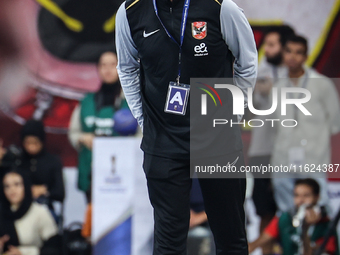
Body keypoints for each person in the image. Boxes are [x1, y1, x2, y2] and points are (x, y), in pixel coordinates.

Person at [115, 0, 258, 253]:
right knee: (168, 242)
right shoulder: (130, 11)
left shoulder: (222, 7)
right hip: (162, 139)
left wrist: (232, 115)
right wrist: (143, 119)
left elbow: (247, 63)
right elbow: (126, 68)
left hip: (217, 138)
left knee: (231, 238)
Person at [271, 35, 340, 212]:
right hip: (283, 159)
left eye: (298, 52)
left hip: (314, 158)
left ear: (306, 56)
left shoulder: (322, 84)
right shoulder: (277, 87)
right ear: (283, 54)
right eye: (288, 51)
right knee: (287, 212)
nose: (293, 57)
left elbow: (335, 122)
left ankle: (319, 240)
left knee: (318, 210)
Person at [248, 25, 294, 255]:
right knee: (264, 211)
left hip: (290, 153)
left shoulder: (299, 75)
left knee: (291, 209)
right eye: (266, 44)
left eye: (273, 44)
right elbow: (252, 103)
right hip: (262, 152)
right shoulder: (258, 72)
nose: (267, 49)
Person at [68, 51, 130, 198]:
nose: (108, 69)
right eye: (103, 65)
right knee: (93, 217)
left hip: (123, 173)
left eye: (113, 65)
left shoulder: (130, 101)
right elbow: (73, 132)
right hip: (92, 172)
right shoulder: (87, 101)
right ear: (98, 69)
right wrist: (82, 138)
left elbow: (142, 135)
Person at [249, 179, 339, 255]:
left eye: (306, 195)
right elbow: (257, 243)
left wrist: (305, 229)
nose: (301, 200)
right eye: (297, 195)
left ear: (317, 197)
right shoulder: (285, 219)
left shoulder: (326, 225)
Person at [0, 120, 65, 206]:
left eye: (35, 143)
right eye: (28, 143)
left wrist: (44, 191)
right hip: (17, 206)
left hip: (43, 205)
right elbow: (4, 185)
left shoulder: (52, 161)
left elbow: (60, 193)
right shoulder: (16, 159)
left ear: (42, 141)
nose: (31, 147)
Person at [0, 170, 58, 255]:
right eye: (7, 186)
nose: (12, 189)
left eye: (17, 184)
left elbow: (55, 248)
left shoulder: (40, 212)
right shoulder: (1, 213)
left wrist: (24, 252)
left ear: (26, 186)